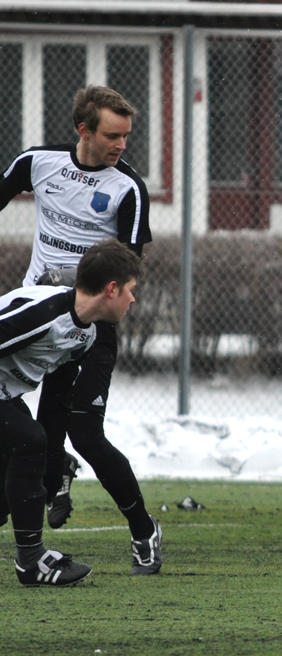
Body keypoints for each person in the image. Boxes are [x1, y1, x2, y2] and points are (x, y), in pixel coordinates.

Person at [0, 85, 161, 574]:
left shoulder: (128, 188)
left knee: (84, 433)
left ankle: (144, 531)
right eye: (112, 136)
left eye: (127, 136)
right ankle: (39, 527)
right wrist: (53, 289)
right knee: (33, 437)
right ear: (83, 130)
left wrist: (74, 282)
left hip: (93, 320)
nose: (121, 145)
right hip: (41, 317)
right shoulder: (39, 163)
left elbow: (126, 269)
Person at [1, 239, 145, 585]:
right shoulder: (45, 312)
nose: (133, 299)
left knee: (14, 473)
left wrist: (51, 466)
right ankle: (31, 560)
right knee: (27, 439)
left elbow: (56, 399)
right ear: (112, 289)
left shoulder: (85, 335)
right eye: (130, 290)